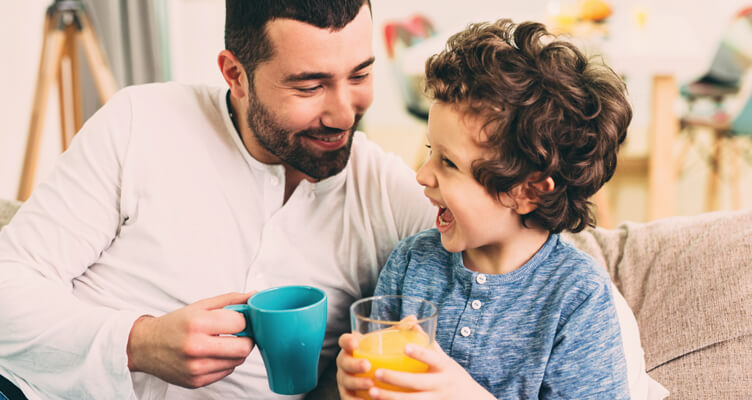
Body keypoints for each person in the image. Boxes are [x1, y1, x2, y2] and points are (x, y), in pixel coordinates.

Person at [0, 1, 435, 399]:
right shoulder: (141, 122)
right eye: (309, 87)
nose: (344, 114)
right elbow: (9, 288)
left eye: (359, 75)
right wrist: (138, 342)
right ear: (235, 74)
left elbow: (495, 263)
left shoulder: (385, 192)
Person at [336, 19, 636, 399]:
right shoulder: (411, 264)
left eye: (449, 164)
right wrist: (354, 386)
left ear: (527, 192)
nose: (422, 175)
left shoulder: (576, 297)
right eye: (431, 151)